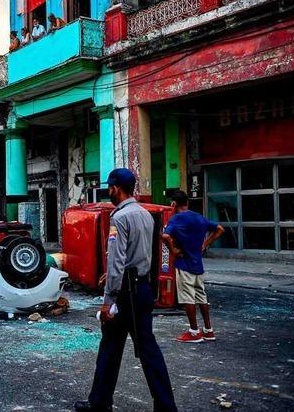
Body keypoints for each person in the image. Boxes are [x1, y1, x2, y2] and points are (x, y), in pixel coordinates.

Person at [75, 168, 177, 412]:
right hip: (141, 288)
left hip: (124, 293)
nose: (108, 192)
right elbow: (141, 255)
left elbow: (117, 259)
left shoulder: (119, 218)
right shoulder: (144, 214)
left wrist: (107, 300)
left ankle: (100, 403)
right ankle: (163, 406)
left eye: (109, 188)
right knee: (139, 348)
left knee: (119, 348)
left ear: (115, 188)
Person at [162, 190, 225, 343]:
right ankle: (208, 330)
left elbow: (165, 236)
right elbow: (220, 229)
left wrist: (173, 250)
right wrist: (205, 244)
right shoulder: (199, 218)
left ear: (173, 204)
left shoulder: (176, 219)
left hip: (184, 264)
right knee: (201, 297)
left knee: (187, 298)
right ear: (187, 203)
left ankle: (194, 331)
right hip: (198, 265)